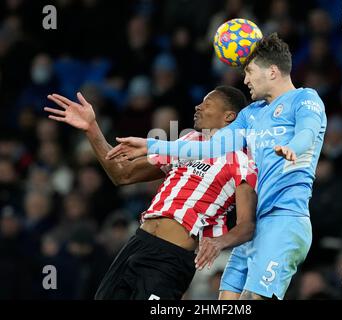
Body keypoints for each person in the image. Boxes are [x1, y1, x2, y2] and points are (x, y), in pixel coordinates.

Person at [105, 33, 327, 300]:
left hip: (285, 218)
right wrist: (151, 145)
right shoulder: (251, 114)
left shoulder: (305, 98)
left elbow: (308, 131)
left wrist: (294, 147)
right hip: (259, 223)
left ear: (272, 72)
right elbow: (207, 147)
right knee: (226, 300)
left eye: (249, 72)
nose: (245, 80)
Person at [44, 85, 257, 300]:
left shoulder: (240, 159)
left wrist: (219, 242)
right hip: (138, 241)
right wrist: (91, 127)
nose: (198, 106)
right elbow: (122, 173)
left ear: (229, 116)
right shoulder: (188, 141)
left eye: (207, 104)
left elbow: (247, 225)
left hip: (170, 258)